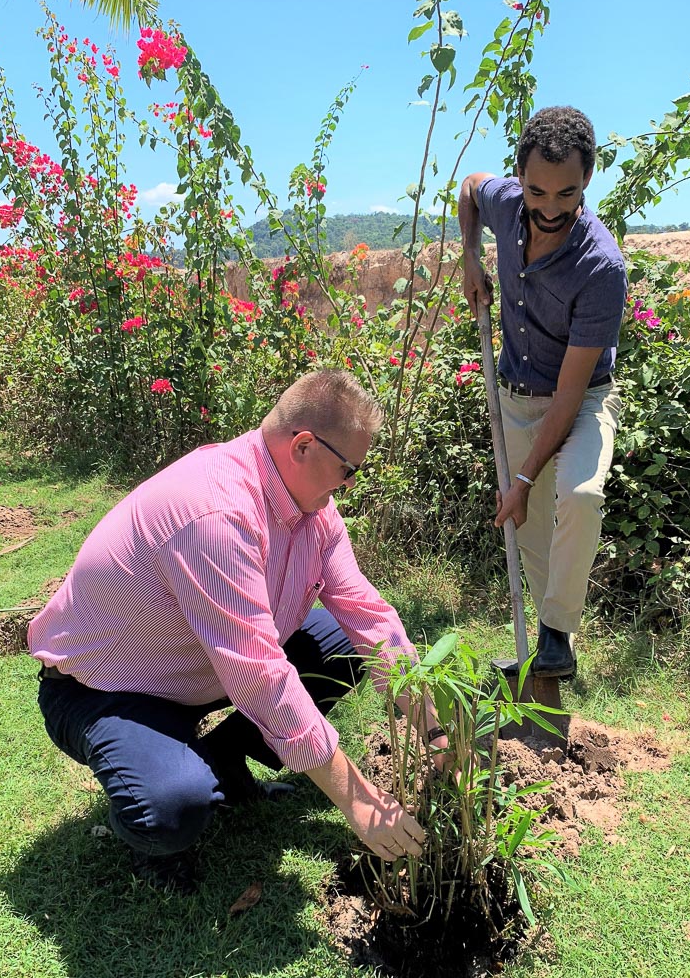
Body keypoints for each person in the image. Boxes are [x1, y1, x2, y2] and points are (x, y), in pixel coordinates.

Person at [29, 369, 448, 893]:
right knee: (173, 808)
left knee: (340, 644)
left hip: (192, 669)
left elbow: (368, 615)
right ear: (302, 446)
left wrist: (436, 731)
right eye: (349, 470)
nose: (349, 485)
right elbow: (260, 675)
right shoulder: (215, 511)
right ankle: (149, 834)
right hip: (107, 689)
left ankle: (222, 754)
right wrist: (359, 802)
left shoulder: (313, 512)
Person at [459, 105, 627, 678]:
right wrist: (470, 258)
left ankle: (558, 633)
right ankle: (547, 654)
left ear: (587, 181)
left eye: (567, 194)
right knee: (528, 540)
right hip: (516, 396)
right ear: (521, 178)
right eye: (537, 192)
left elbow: (569, 395)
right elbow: (469, 188)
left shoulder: (601, 267)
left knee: (579, 496)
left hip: (579, 402)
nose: (550, 209)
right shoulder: (506, 204)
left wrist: (525, 478)